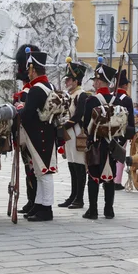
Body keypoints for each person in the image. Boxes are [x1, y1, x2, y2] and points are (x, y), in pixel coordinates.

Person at [18, 48, 58, 222]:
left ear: (33, 69)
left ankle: (46, 208)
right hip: (47, 134)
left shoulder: (35, 90)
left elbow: (27, 114)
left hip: (38, 135)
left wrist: (19, 110)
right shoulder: (51, 86)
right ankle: (40, 205)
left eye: (29, 69)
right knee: (41, 172)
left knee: (45, 172)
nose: (28, 73)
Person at [82, 61, 120, 220]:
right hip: (111, 144)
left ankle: (93, 210)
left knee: (93, 176)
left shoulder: (91, 101)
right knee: (109, 177)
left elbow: (85, 125)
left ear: (99, 81)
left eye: (95, 80)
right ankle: (109, 210)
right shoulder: (117, 100)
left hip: (96, 144)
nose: (94, 83)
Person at [12, 44, 40, 214]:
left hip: (30, 134)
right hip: (23, 135)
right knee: (28, 169)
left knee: (32, 169)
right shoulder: (26, 89)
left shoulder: (30, 91)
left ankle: (35, 200)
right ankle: (31, 199)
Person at [58, 58, 88, 207]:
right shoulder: (69, 95)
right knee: (71, 164)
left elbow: (78, 116)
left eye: (69, 79)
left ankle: (79, 198)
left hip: (77, 132)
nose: (66, 82)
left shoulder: (82, 95)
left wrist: (64, 127)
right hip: (69, 132)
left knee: (79, 165)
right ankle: (73, 195)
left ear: (76, 81)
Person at [113, 70, 135, 190]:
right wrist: (132, 133)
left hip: (111, 130)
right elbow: (130, 117)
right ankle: (117, 181)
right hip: (122, 130)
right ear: (125, 85)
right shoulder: (126, 99)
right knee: (120, 154)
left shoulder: (112, 96)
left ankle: (110, 178)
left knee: (111, 154)